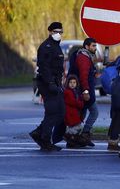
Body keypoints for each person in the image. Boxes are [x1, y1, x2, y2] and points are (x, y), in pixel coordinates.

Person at [29, 22, 65, 151]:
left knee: (60, 112)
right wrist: (50, 83)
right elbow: (44, 67)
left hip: (55, 83)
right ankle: (45, 140)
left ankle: (39, 133)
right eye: (56, 31)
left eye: (60, 32)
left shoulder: (56, 46)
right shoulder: (47, 46)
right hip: (47, 83)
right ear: (50, 32)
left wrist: (58, 84)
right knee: (53, 112)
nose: (58, 34)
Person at [69, 38, 99, 147]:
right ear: (86, 46)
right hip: (84, 92)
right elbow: (83, 76)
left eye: (95, 46)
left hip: (84, 91)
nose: (95, 48)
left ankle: (77, 138)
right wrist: (86, 91)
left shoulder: (86, 56)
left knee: (82, 114)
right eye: (93, 46)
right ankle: (82, 135)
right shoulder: (84, 58)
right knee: (94, 113)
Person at [63, 75, 87, 148]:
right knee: (75, 127)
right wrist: (81, 104)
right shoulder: (67, 92)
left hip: (74, 113)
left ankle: (71, 141)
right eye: (70, 82)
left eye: (74, 82)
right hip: (70, 113)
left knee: (74, 127)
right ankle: (69, 138)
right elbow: (72, 101)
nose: (72, 84)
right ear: (67, 83)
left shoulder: (76, 91)